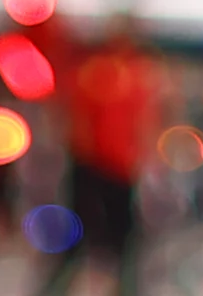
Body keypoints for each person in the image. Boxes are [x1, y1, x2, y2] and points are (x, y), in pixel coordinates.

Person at [58, 17, 168, 296]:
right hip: (97, 163)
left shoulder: (138, 71)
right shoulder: (99, 69)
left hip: (120, 166)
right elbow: (79, 117)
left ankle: (119, 285)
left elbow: (148, 118)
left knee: (121, 236)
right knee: (88, 233)